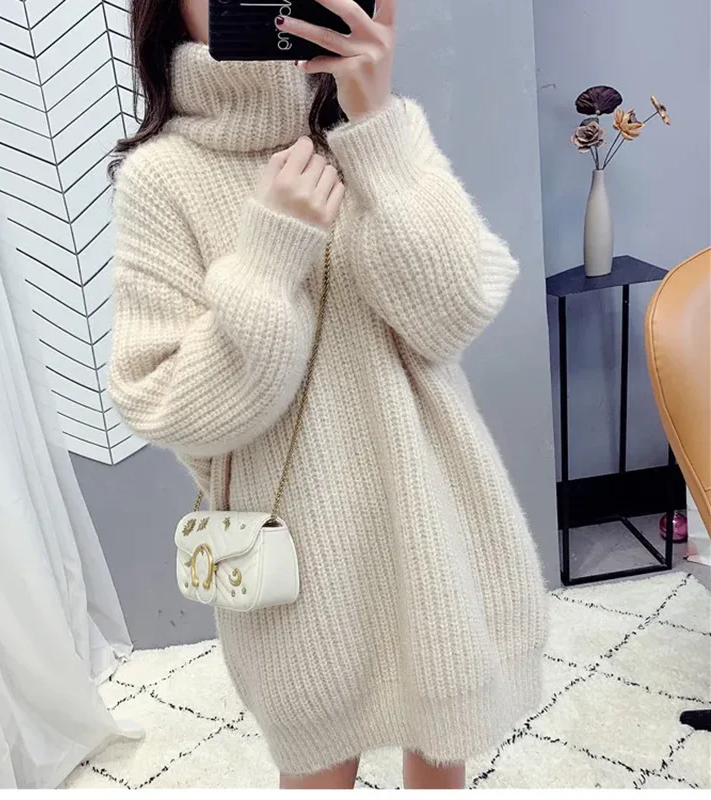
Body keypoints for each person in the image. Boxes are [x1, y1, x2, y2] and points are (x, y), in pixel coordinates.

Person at [108, 0, 549, 790]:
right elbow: (165, 400)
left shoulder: (376, 131)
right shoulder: (161, 178)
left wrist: (374, 122)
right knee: (318, 765)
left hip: (434, 518)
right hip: (297, 560)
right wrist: (269, 256)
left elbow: (453, 313)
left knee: (443, 740)